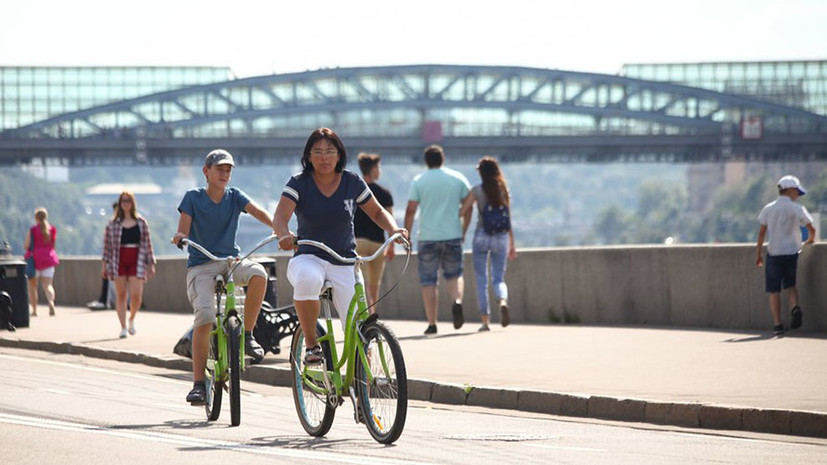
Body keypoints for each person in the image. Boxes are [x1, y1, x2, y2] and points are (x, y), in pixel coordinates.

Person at [273, 128, 407, 365]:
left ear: (339, 155)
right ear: (309, 156)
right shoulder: (299, 183)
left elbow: (376, 211)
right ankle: (312, 346)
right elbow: (280, 216)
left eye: (329, 151)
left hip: (345, 260)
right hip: (309, 255)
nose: (324, 157)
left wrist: (394, 230)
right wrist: (283, 235)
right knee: (308, 279)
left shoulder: (351, 182)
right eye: (318, 152)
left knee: (358, 328)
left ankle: (363, 389)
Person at [172, 149, 273, 405]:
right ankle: (198, 385)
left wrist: (280, 229)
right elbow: (183, 228)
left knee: (259, 274)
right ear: (206, 172)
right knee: (205, 315)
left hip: (230, 261)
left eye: (228, 170)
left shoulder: (235, 197)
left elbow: (260, 212)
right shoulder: (193, 197)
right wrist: (181, 237)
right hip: (202, 265)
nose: (224, 174)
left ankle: (248, 335)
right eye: (219, 169)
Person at [404, 144, 472, 335]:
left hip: (427, 236)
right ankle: (457, 301)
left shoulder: (419, 181)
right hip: (453, 234)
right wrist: (463, 229)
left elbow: (410, 210)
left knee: (428, 281)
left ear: (426, 161)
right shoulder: (457, 178)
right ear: (443, 159)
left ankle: (432, 323)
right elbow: (469, 205)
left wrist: (407, 234)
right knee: (454, 274)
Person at [460, 156, 517, 331]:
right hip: (501, 237)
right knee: (499, 278)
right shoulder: (503, 190)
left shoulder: (477, 190)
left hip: (482, 236)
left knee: (481, 279)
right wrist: (512, 244)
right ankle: (502, 300)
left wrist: (461, 230)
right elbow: (508, 219)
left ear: (481, 173)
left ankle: (485, 321)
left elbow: (463, 211)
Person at [756, 175, 816, 336]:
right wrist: (809, 240)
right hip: (792, 253)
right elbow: (812, 229)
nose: (798, 195)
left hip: (774, 253)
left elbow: (762, 233)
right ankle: (795, 307)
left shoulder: (768, 208)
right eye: (797, 192)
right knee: (791, 286)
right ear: (790, 191)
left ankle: (777, 325)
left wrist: (759, 254)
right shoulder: (797, 209)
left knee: (774, 290)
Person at [102, 191, 156, 338]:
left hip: (136, 259)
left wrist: (150, 263)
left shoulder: (141, 222)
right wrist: (104, 265)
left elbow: (148, 243)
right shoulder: (112, 224)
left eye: (128, 201)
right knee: (121, 295)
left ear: (133, 203)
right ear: (120, 204)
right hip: (117, 260)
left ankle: (131, 318)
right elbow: (106, 246)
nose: (125, 203)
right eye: (123, 201)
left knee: (137, 296)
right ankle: (123, 327)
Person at [354, 152, 395, 312]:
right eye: (378, 167)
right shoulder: (384, 193)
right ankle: (372, 316)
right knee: (374, 286)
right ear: (372, 169)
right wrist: (391, 246)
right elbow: (389, 219)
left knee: (360, 284)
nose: (379, 170)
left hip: (358, 243)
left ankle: (363, 317)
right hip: (379, 244)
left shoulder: (355, 192)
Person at [23, 208, 60, 317]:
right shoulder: (52, 229)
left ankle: (34, 310)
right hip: (48, 259)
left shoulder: (33, 230)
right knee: (48, 285)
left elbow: (26, 246)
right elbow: (53, 246)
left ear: (36, 218)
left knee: (33, 287)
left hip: (35, 260)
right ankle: (51, 302)